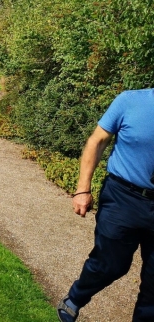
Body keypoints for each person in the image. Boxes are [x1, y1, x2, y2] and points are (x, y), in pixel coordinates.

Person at [57, 89, 154, 322]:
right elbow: (97, 141)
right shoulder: (130, 101)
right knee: (110, 264)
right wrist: (83, 189)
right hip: (123, 197)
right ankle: (75, 298)